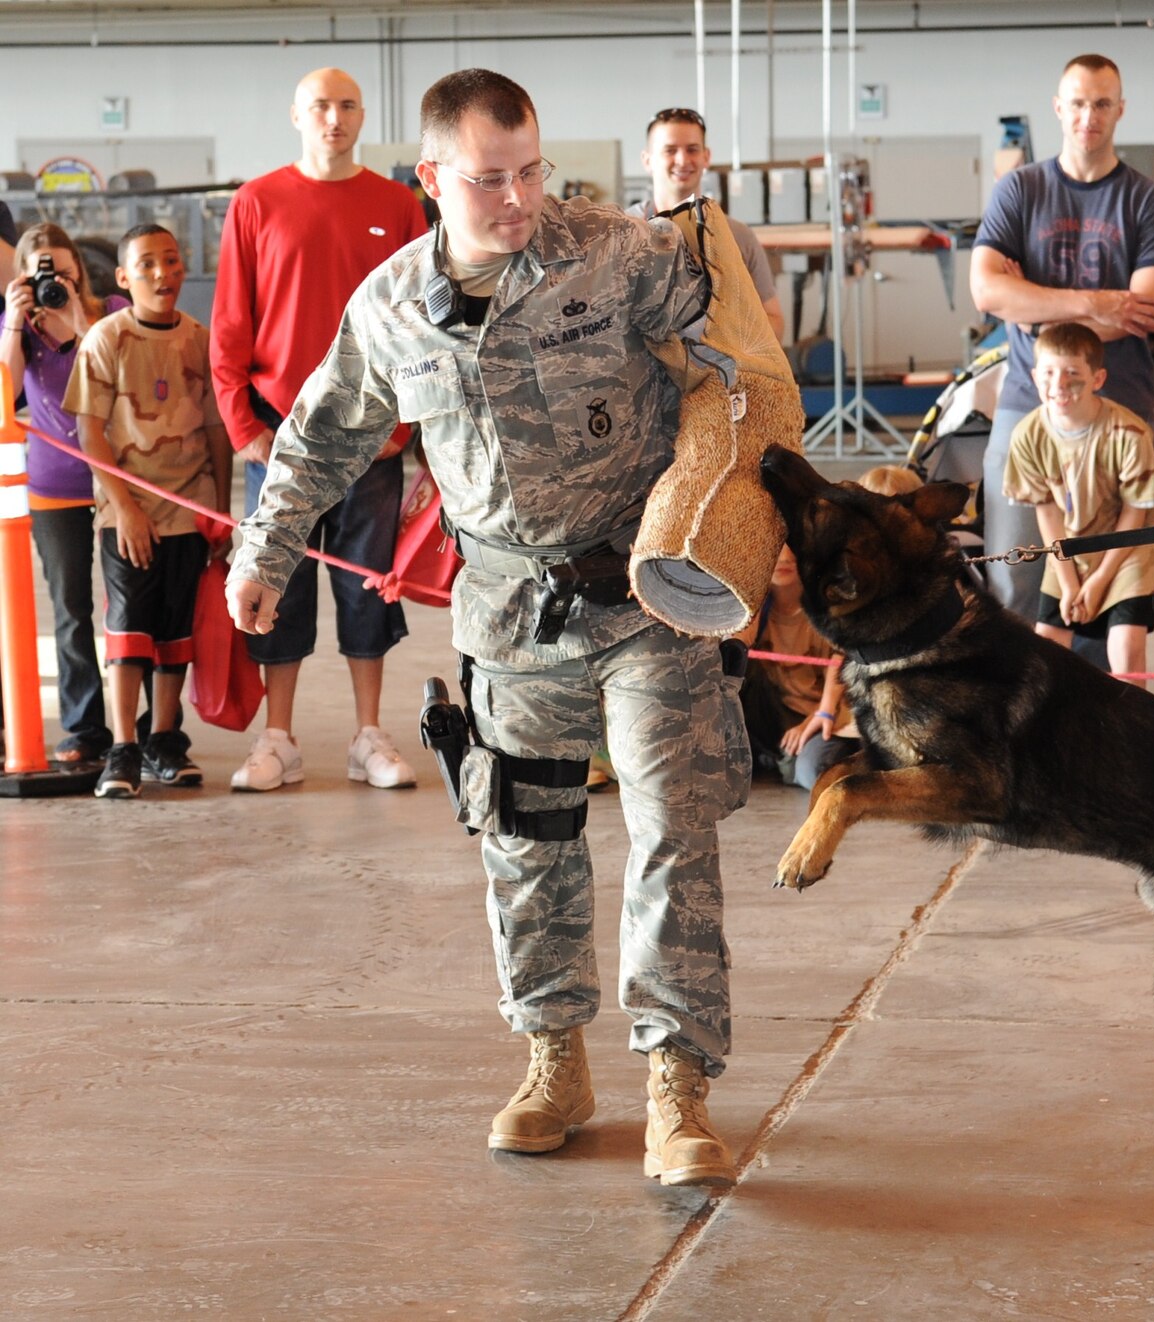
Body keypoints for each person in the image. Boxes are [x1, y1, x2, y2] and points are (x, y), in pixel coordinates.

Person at [226, 70, 754, 1189]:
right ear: (431, 178)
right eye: (488, 178)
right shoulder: (391, 306)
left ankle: (677, 1081)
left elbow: (739, 369)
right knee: (528, 837)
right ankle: (553, 1058)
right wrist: (263, 554)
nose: (517, 198)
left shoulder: (621, 254)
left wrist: (740, 507)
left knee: (670, 826)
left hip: (647, 596)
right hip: (511, 613)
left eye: (530, 171)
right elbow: (320, 438)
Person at [210, 67, 431, 793]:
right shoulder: (255, 202)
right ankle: (280, 738)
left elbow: (421, 320)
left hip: (373, 432)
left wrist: (403, 426)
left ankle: (370, 735)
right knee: (280, 581)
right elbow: (231, 323)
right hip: (277, 436)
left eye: (345, 106)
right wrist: (243, 425)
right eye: (319, 106)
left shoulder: (398, 206)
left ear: (362, 115)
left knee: (370, 585)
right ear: (296, 115)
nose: (333, 118)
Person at [970, 52, 1154, 618]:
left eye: (1103, 104)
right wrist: (1096, 303)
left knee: (1110, 589)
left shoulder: (1149, 201)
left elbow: (1149, 307)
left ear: (1120, 110)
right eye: (1080, 103)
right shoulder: (1019, 191)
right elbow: (988, 294)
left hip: (1121, 406)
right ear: (1059, 108)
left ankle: (1090, 709)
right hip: (1025, 404)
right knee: (1017, 576)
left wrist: (1036, 309)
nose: (1090, 115)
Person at [67, 224, 231, 799]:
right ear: (122, 278)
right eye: (146, 265)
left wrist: (221, 513)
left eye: (171, 260)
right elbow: (89, 432)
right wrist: (125, 508)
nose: (162, 274)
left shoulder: (200, 339)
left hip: (190, 508)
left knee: (175, 628)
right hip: (128, 511)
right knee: (129, 627)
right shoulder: (105, 339)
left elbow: (217, 431)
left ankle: (164, 739)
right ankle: (123, 747)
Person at [3, 223, 129, 764]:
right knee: (71, 611)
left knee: (128, 609)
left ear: (80, 270)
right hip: (54, 487)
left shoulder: (114, 310)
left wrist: (79, 316)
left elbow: (113, 377)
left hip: (116, 480)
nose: (56, 282)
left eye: (65, 272)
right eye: (43, 275)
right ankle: (84, 729)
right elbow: (6, 397)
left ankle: (136, 729)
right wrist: (13, 323)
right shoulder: (21, 329)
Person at [1001, 322, 1154, 684]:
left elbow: (1135, 511)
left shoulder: (1128, 431)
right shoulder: (1028, 434)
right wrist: (1070, 581)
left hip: (1129, 548)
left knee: (1125, 648)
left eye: (1072, 373)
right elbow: (1047, 510)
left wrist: (1100, 580)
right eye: (1048, 373)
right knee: (1047, 649)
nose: (1058, 385)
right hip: (1069, 547)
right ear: (1033, 376)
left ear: (1097, 378)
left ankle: (1131, 735)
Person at [630, 107, 785, 344]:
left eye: (692, 149)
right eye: (670, 150)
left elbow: (774, 322)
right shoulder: (623, 233)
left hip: (719, 375)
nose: (682, 160)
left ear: (706, 156)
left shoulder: (738, 236)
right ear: (647, 160)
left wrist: (727, 340)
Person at [737, 545, 859, 789]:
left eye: (793, 546)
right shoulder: (754, 613)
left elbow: (847, 669)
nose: (784, 557)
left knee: (812, 772)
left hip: (834, 718)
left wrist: (817, 716)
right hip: (781, 716)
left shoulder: (827, 609)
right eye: (773, 547)